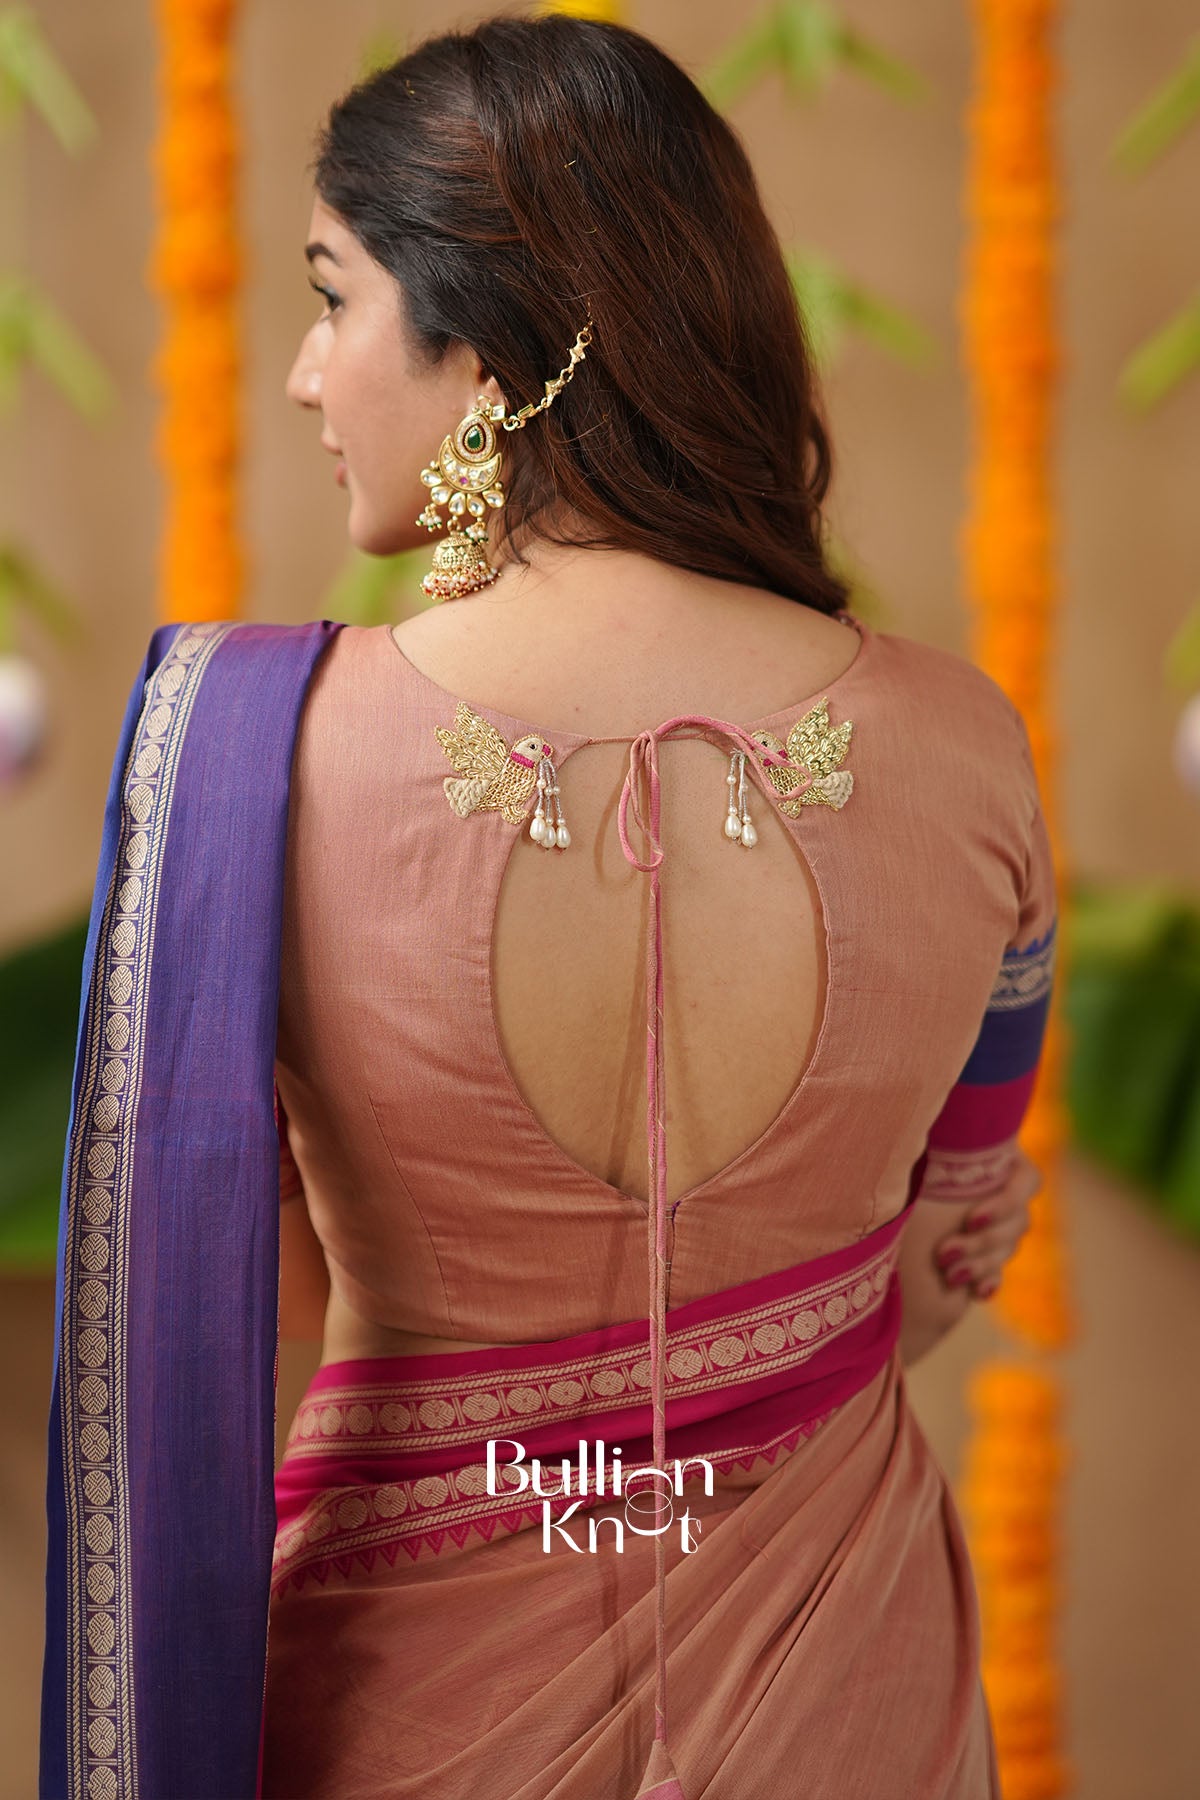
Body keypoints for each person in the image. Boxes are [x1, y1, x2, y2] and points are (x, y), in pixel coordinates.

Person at [40, 16, 1055, 1800]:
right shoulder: (967, 744)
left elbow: (200, 1338)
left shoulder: (246, 753)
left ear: (492, 349)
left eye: (336, 298)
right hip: (848, 1700)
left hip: (404, 1709)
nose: (306, 374)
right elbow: (948, 1255)